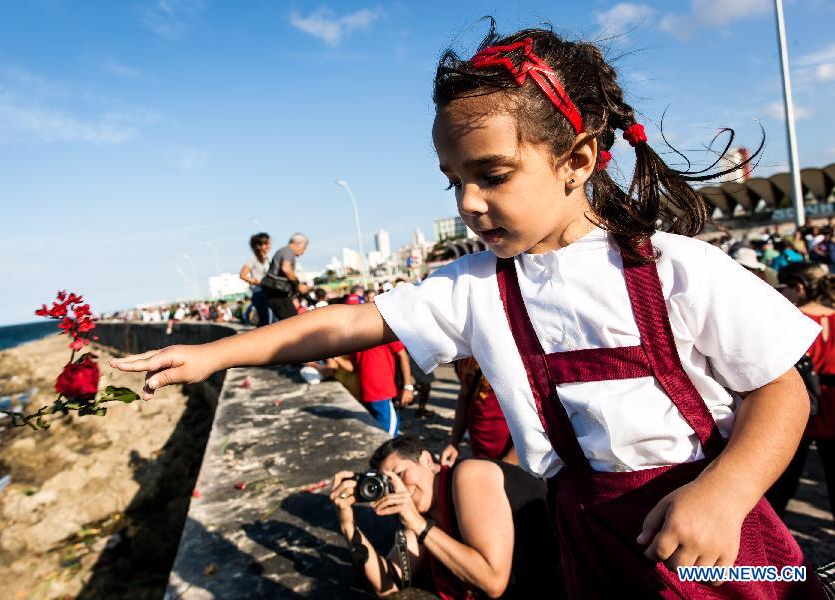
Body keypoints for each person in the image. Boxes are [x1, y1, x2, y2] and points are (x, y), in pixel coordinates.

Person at [111, 22, 825, 598]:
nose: (468, 204)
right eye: (453, 181)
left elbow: (781, 389)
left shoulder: (672, 267)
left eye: (491, 176)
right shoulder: (478, 285)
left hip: (714, 539)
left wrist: (727, 490)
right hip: (588, 538)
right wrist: (213, 353)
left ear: (578, 159)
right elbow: (350, 323)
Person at [329, 435, 562, 598]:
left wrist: (419, 525)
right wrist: (348, 525)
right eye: (389, 484)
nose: (399, 486)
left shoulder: (469, 475)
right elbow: (388, 584)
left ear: (427, 461)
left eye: (400, 473)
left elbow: (492, 581)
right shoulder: (420, 516)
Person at [766, 262, 835, 520]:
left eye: (785, 287)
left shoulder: (789, 321)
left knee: (780, 488)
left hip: (798, 411)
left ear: (799, 287)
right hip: (831, 407)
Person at [441, 357, 517, 466]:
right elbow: (464, 394)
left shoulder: (511, 353)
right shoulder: (464, 355)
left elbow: (531, 411)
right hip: (479, 444)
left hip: (508, 452)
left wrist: (512, 460)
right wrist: (454, 442)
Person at [351, 341, 414, 437]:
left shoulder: (383, 330)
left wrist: (408, 387)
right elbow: (353, 367)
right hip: (365, 395)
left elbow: (403, 355)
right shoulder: (352, 336)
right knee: (377, 434)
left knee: (388, 436)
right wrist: (337, 360)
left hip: (384, 394)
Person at [264, 233, 311, 321]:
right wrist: (298, 285)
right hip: (279, 294)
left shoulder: (283, 251)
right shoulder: (288, 251)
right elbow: (286, 269)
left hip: (274, 293)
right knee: (293, 321)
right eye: (304, 248)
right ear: (299, 243)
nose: (303, 252)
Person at [240, 232, 272, 326]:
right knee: (264, 321)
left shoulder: (267, 258)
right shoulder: (253, 258)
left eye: (269, 243)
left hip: (268, 292)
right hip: (259, 293)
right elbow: (243, 275)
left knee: (270, 320)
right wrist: (257, 282)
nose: (269, 246)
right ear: (258, 246)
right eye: (266, 244)